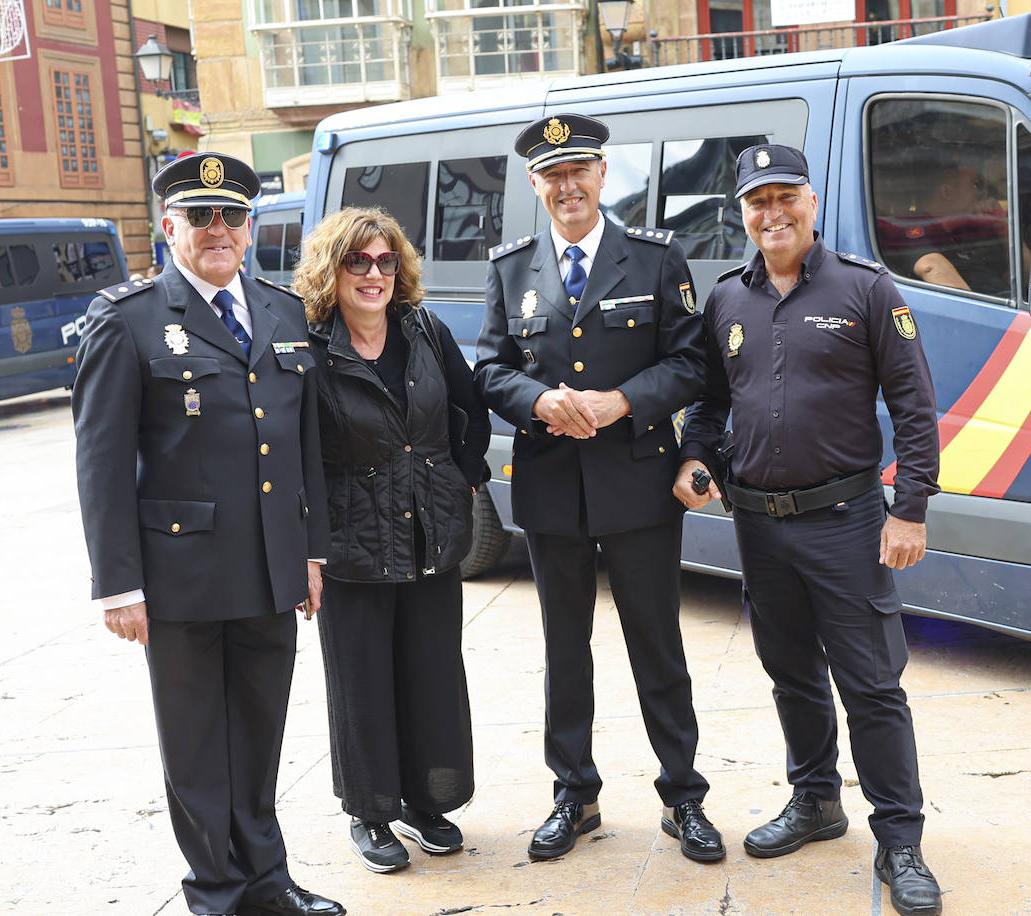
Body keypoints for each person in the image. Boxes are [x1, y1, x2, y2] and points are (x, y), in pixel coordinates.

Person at [673, 144, 944, 916]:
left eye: (785, 196)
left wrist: (911, 507)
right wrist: (696, 458)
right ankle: (816, 801)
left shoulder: (865, 288)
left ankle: (900, 841)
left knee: (871, 688)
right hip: (760, 526)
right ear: (744, 214)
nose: (773, 214)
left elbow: (915, 406)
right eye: (757, 202)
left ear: (812, 202)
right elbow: (713, 403)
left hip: (846, 523)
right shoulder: (728, 298)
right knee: (791, 675)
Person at [72, 152, 344, 916]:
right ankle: (216, 891)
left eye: (230, 216)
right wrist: (118, 585)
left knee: (260, 734)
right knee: (197, 746)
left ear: (250, 225)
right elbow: (101, 464)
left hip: (269, 567)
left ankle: (267, 880)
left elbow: (304, 451)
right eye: (201, 216)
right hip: (179, 577)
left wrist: (311, 551)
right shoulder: (127, 321)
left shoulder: (284, 311)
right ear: (169, 227)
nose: (217, 229)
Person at [474, 113, 724, 863]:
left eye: (578, 170)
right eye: (552, 175)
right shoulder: (510, 265)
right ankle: (573, 794)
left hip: (639, 481)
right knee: (564, 648)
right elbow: (489, 368)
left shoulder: (654, 257)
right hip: (552, 485)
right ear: (534, 185)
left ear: (603, 175)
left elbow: (692, 364)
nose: (567, 185)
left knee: (657, 643)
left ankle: (684, 797)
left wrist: (622, 402)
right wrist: (538, 400)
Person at [291, 207, 490, 875]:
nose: (374, 275)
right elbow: (295, 451)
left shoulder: (424, 330)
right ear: (333, 270)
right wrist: (307, 543)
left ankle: (425, 802)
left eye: (385, 262)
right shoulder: (309, 344)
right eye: (359, 262)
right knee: (363, 682)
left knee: (430, 674)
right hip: (352, 543)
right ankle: (370, 812)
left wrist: (461, 478)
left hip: (431, 533)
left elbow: (470, 409)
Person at [898, 154, 1011, 295]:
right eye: (974, 184)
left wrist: (1004, 228)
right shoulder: (915, 226)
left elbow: (1025, 278)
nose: (978, 192)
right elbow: (930, 266)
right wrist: (978, 314)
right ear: (946, 192)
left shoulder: (970, 228)